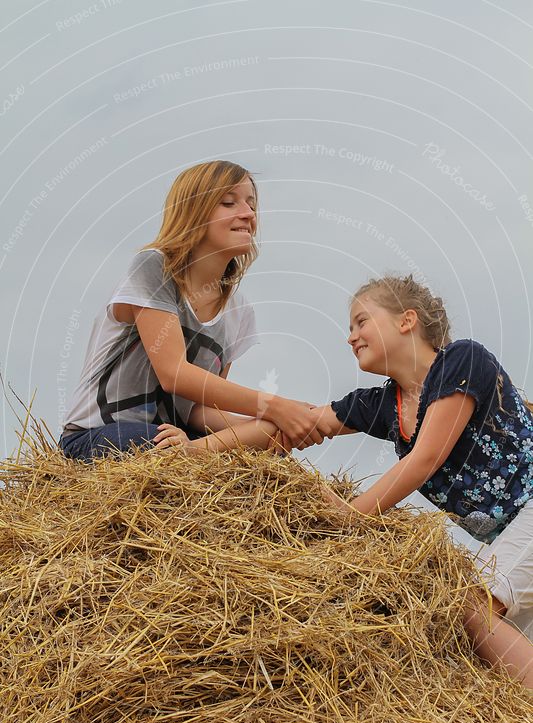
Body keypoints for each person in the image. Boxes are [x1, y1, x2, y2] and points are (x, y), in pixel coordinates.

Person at [305, 273, 533, 690]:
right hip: (511, 534)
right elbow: (298, 423)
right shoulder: (383, 406)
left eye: (360, 321)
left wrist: (350, 514)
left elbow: (425, 458)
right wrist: (202, 445)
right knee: (496, 645)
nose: (350, 336)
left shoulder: (462, 360)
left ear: (407, 320)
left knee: (470, 605)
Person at [58, 160, 324, 461]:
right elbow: (174, 374)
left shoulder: (239, 312)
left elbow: (197, 408)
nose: (248, 214)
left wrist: (264, 428)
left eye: (251, 204)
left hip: (178, 436)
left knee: (266, 458)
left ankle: (348, 510)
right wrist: (275, 407)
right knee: (171, 455)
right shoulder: (155, 267)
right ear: (193, 212)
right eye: (228, 203)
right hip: (97, 435)